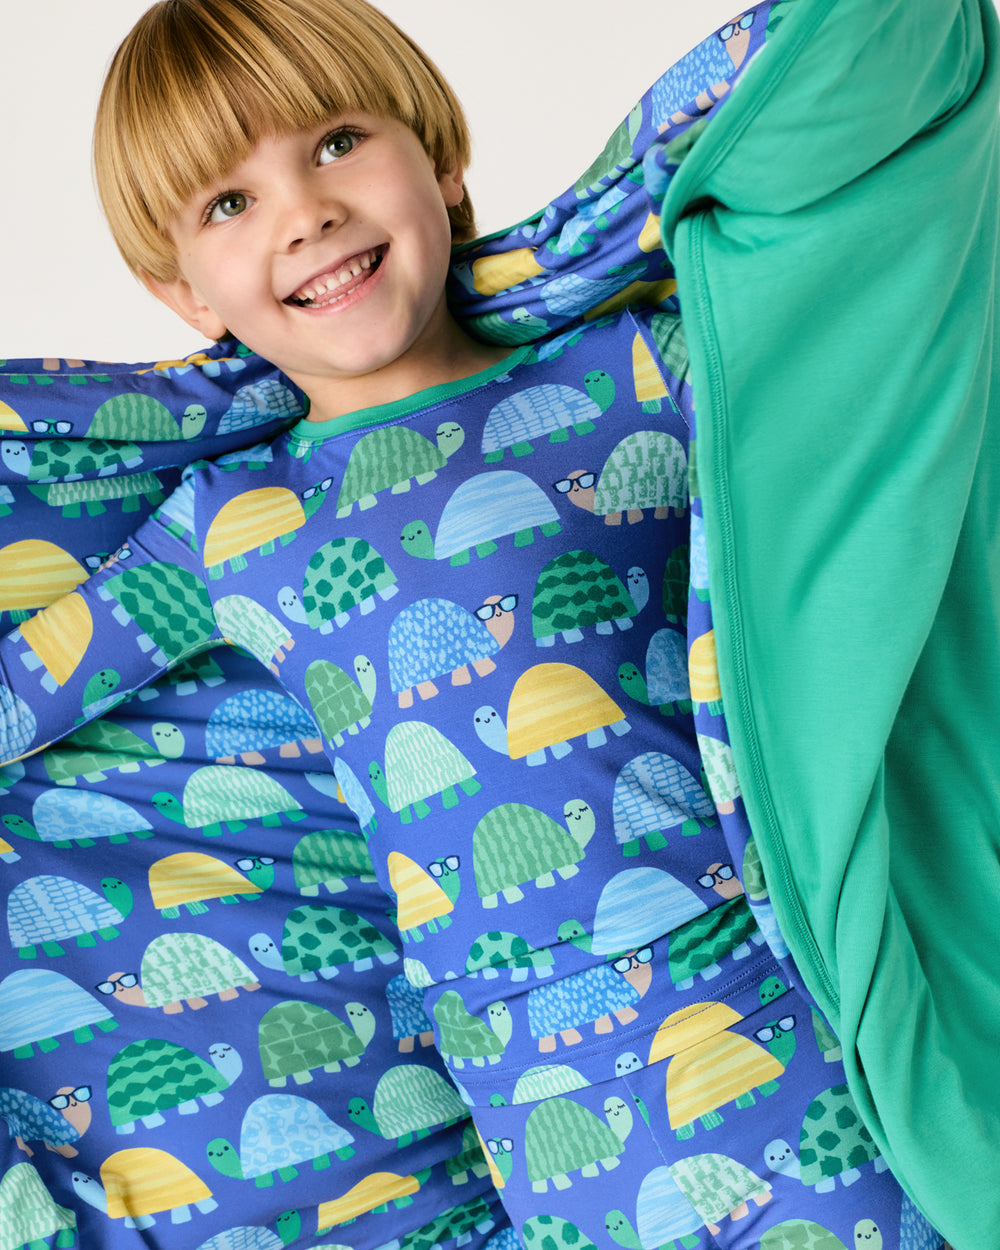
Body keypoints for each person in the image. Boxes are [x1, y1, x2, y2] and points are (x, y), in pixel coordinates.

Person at [2, 0, 990, 1246]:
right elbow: (25, 690)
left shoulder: (642, 377)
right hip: (522, 1087)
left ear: (441, 158)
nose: (303, 211)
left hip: (758, 999)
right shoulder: (222, 526)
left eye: (336, 141)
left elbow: (864, 134)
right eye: (227, 205)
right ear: (180, 290)